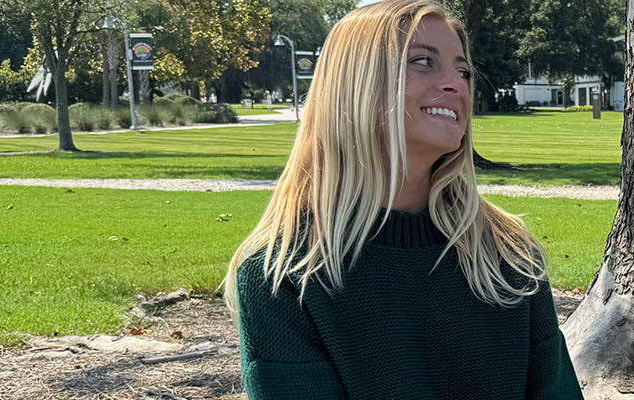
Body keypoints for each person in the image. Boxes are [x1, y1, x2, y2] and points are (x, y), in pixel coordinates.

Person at [223, 1, 581, 398]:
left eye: (462, 71)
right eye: (423, 61)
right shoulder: (284, 273)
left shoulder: (510, 254)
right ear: (354, 84)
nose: (456, 85)